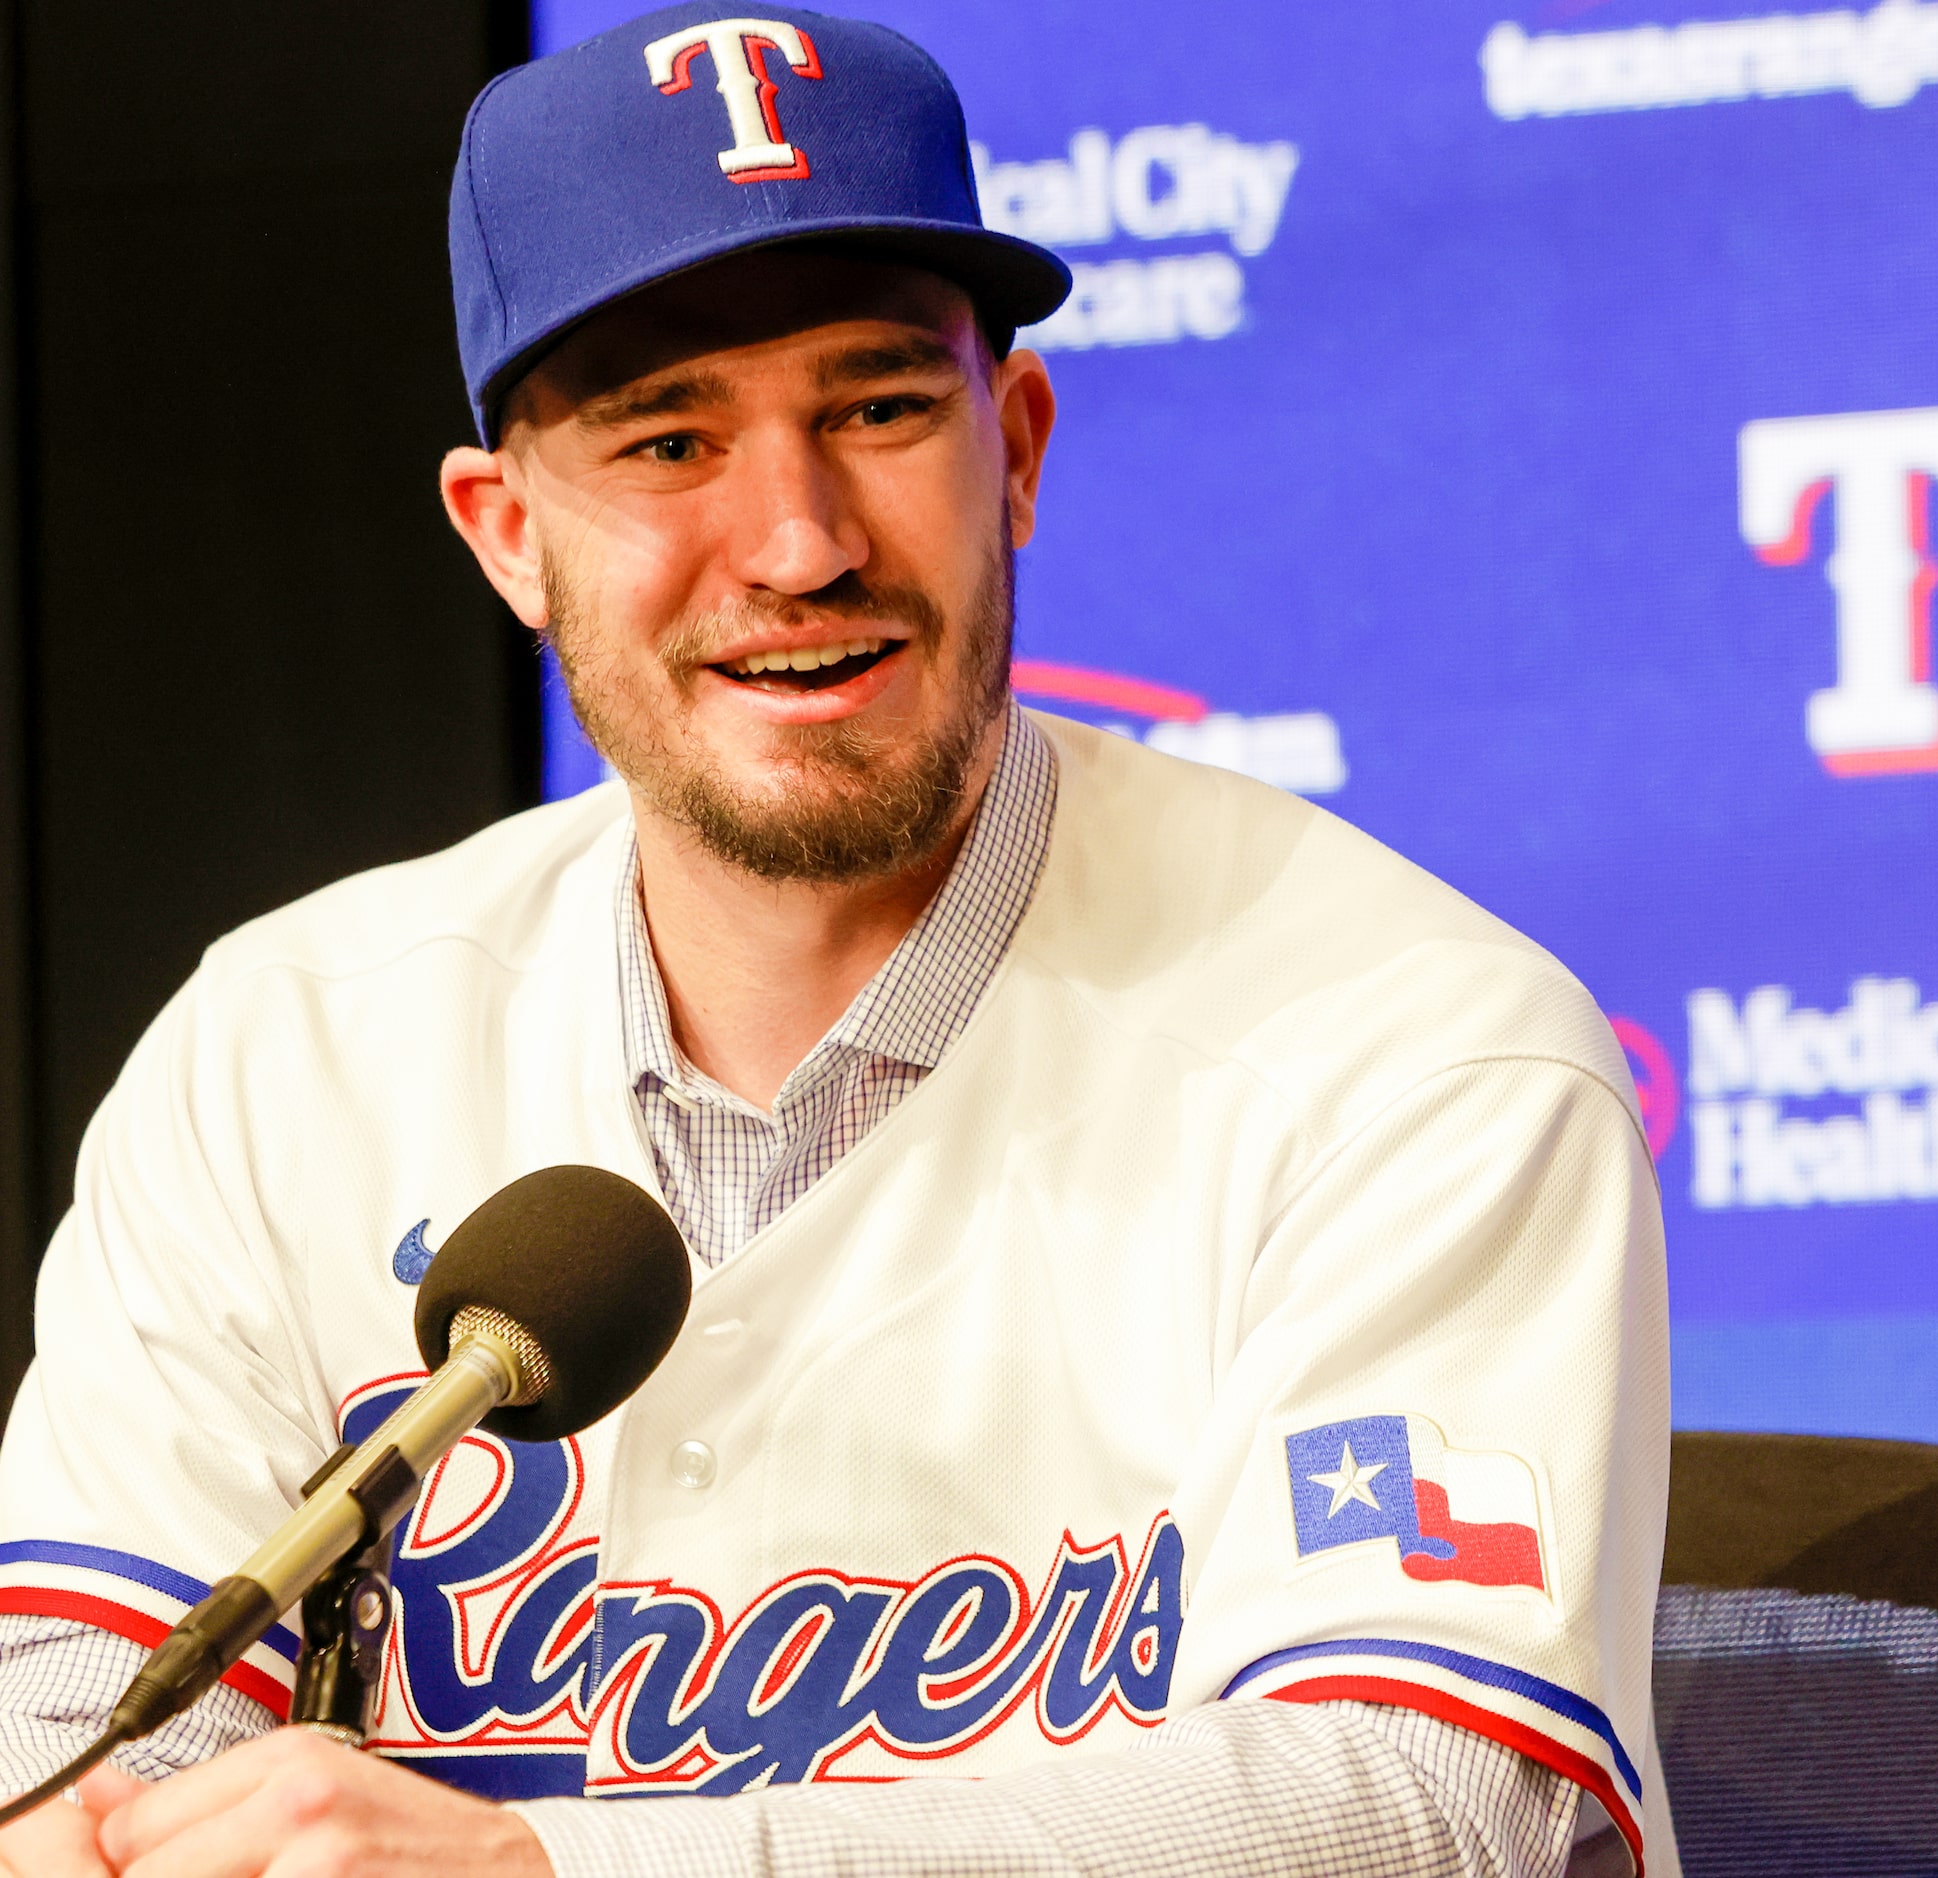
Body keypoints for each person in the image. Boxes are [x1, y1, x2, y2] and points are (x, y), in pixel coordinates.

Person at [0, 6, 1672, 1876]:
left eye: (879, 408)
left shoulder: (1413, 1053)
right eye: (667, 439)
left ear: (1016, 448)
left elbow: (1421, 1801)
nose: (796, 542)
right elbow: (75, 1717)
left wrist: (559, 1867)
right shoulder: (279, 1055)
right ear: (506, 536)